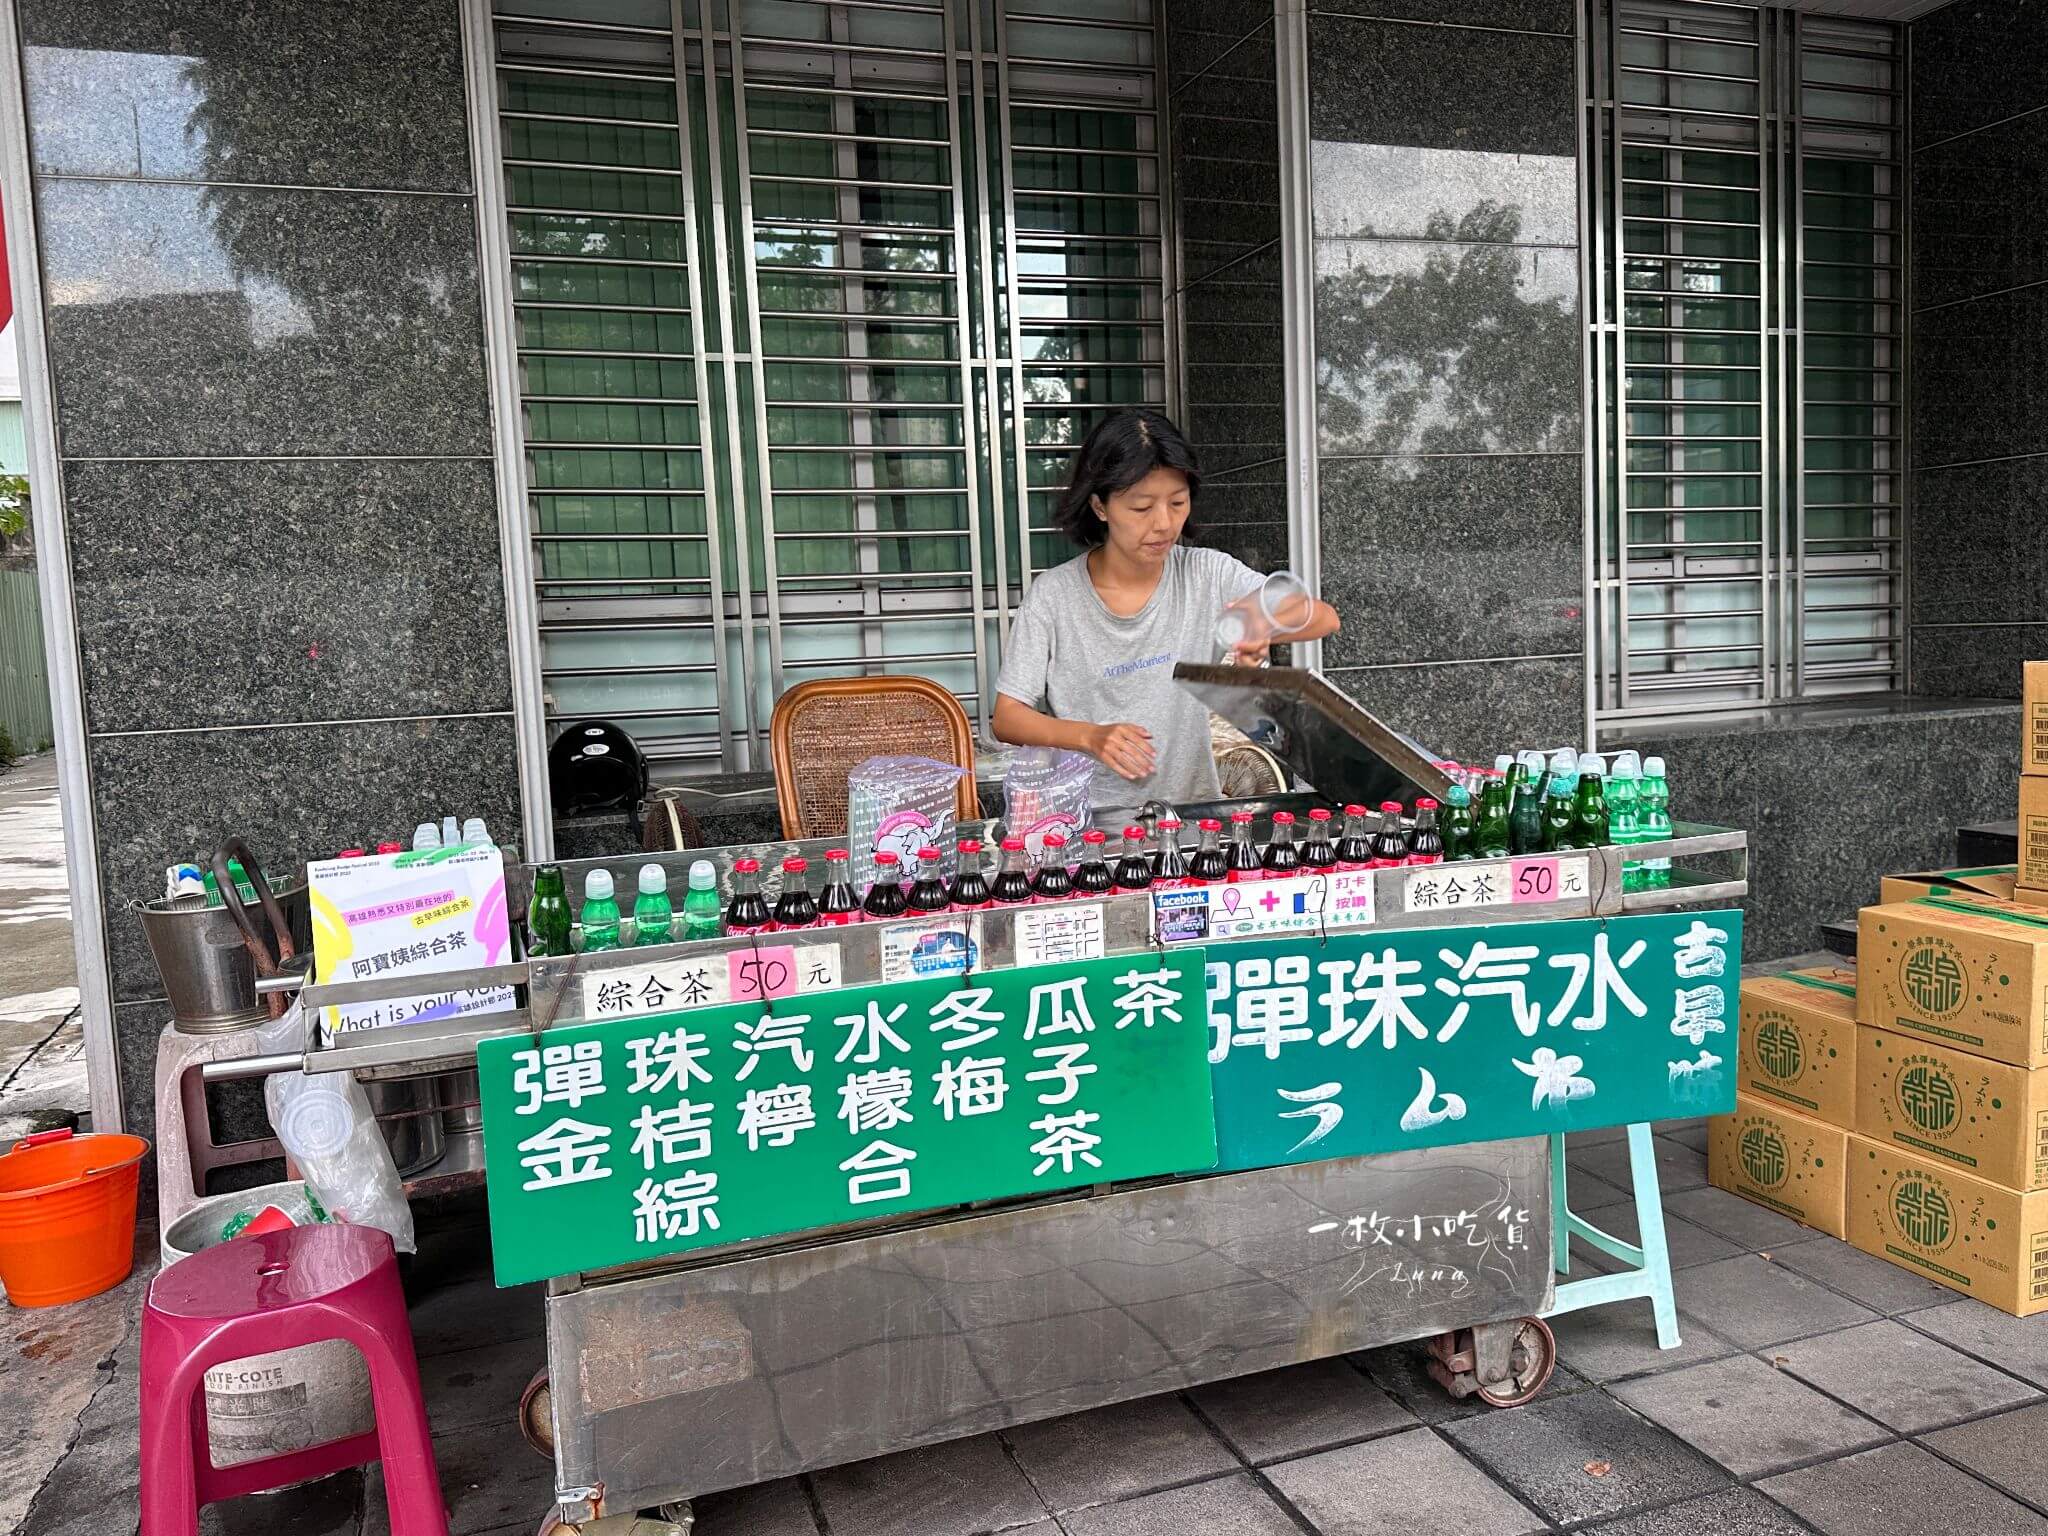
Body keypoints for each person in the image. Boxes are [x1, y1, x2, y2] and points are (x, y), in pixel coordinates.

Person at [992, 408, 1341, 808]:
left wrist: (1262, 622)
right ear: (1100, 507)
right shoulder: (1054, 595)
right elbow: (1007, 717)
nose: (1163, 524)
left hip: (1190, 819)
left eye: (1178, 502)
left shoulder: (1207, 573)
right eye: (1141, 508)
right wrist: (1090, 736)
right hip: (1085, 826)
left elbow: (1323, 618)